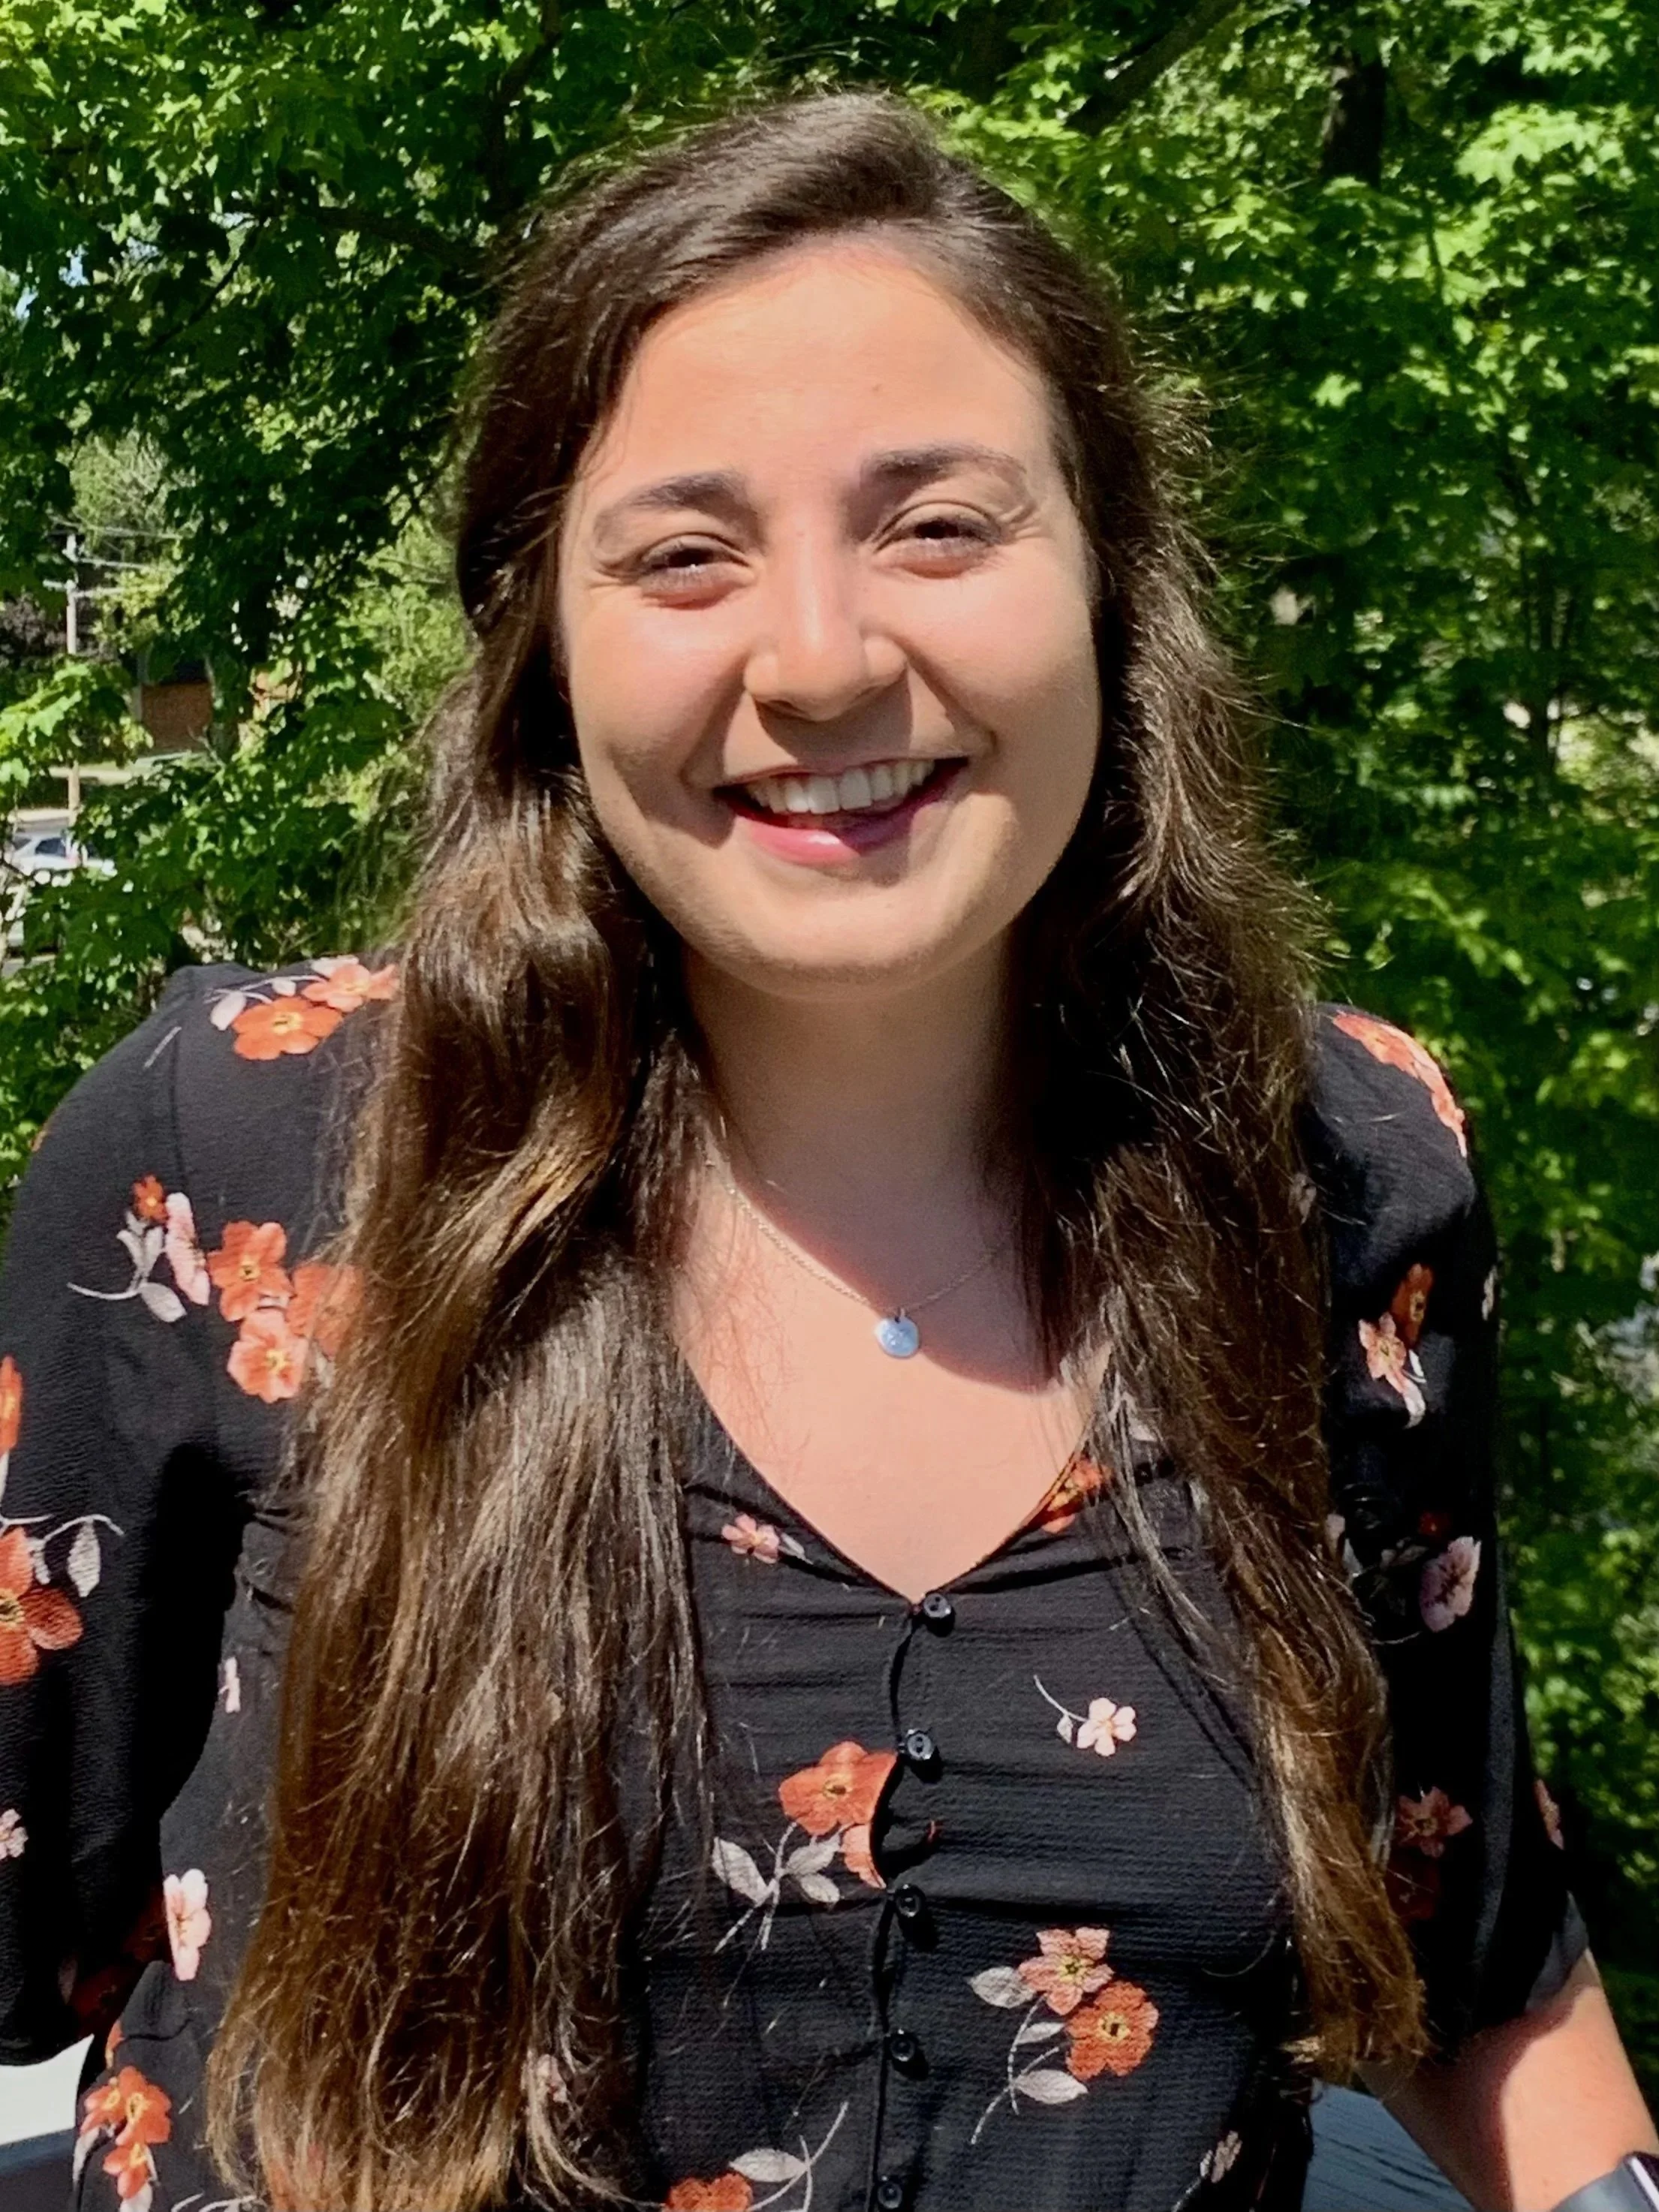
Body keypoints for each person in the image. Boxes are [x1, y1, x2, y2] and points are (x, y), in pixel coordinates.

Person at [0, 92, 1652, 2212]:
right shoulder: (233, 1166)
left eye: (939, 525)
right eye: (684, 553)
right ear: (547, 643)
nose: (819, 660)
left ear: (1112, 582)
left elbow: (1476, 1951)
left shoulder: (1337, 1171)